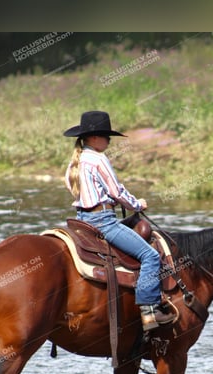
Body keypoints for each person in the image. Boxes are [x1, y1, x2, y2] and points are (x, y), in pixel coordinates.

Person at [63, 110, 175, 331]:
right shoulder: (98, 159)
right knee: (150, 255)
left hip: (81, 220)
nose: (109, 140)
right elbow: (116, 192)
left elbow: (72, 187)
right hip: (103, 221)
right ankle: (149, 311)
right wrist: (137, 205)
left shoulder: (74, 162)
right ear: (94, 138)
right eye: (106, 136)